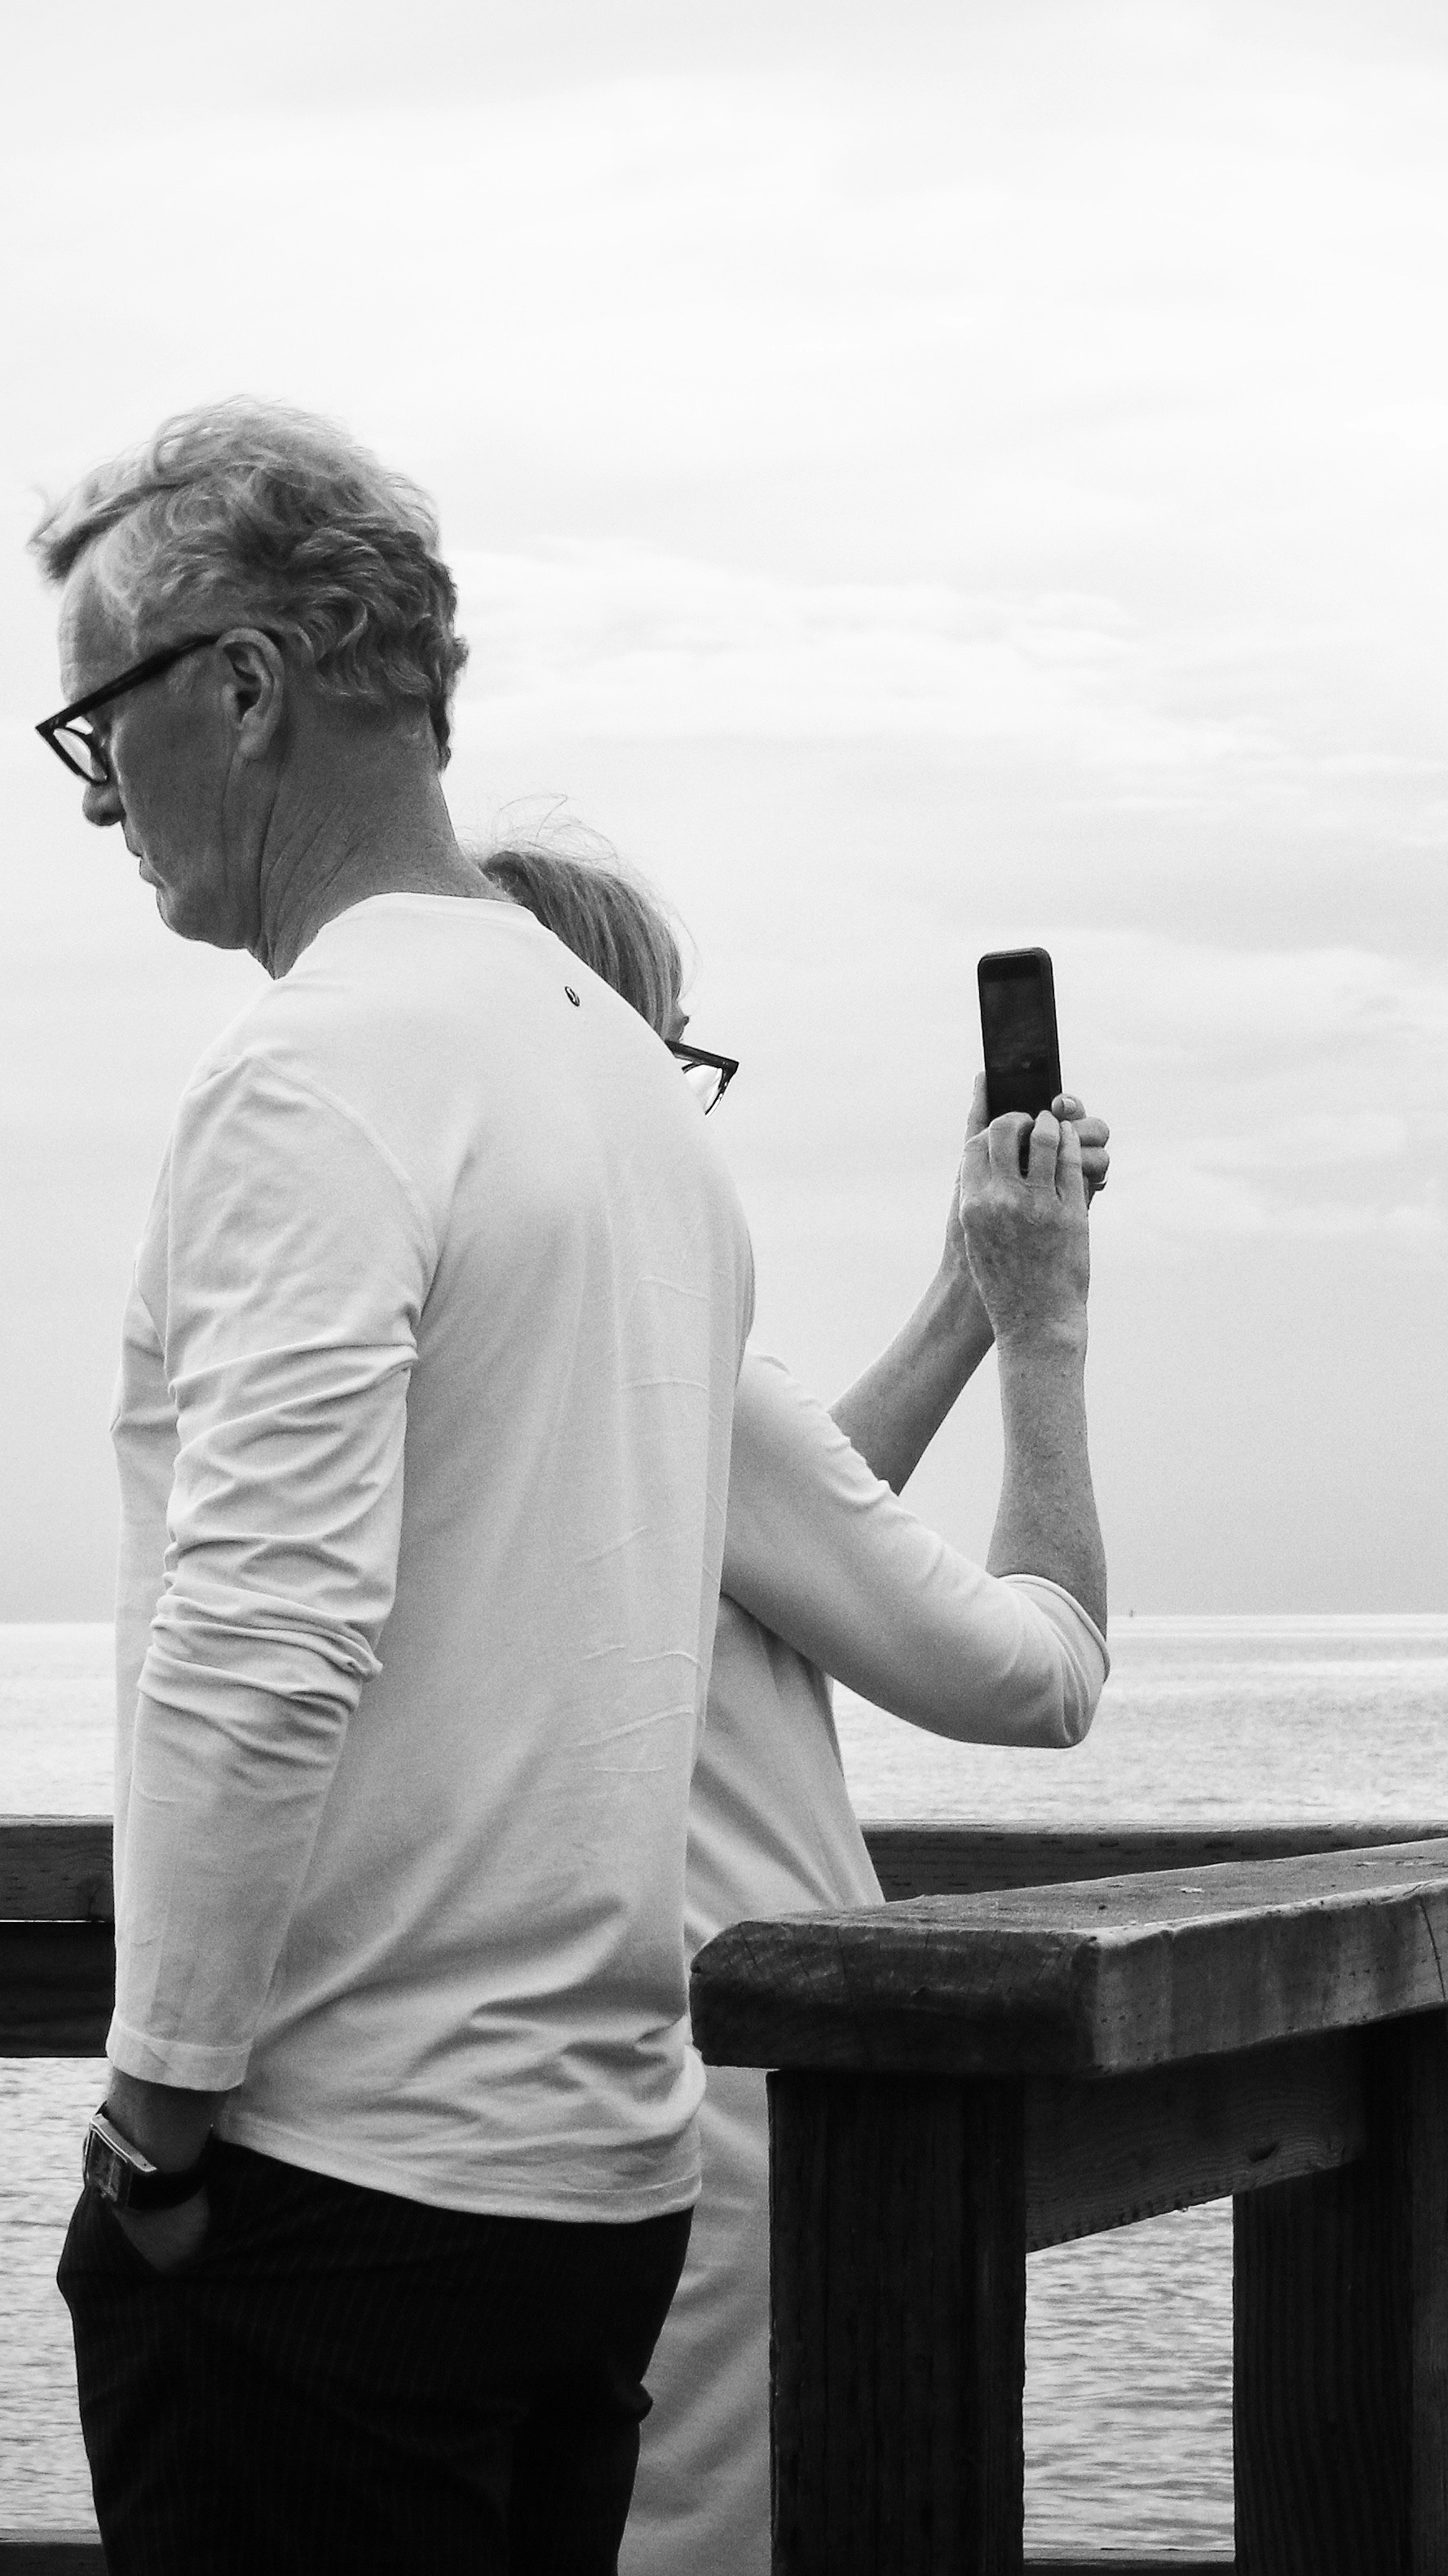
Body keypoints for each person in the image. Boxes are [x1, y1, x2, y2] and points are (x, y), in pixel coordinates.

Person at [38, 407, 756, 2575]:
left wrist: (159, 2119)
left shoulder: (317, 1066)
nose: (97, 797)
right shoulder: (629, 1080)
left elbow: (264, 1634)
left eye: (101, 724)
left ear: (245, 688)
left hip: (334, 2186)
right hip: (603, 2178)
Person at [472, 825, 1113, 2576]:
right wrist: (1047, 1331)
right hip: (756, 2127)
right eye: (678, 1063)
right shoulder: (666, 1350)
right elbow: (1047, 1668)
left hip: (538, 2119)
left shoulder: (464, 1333)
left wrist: (969, 1288)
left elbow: (784, 1529)